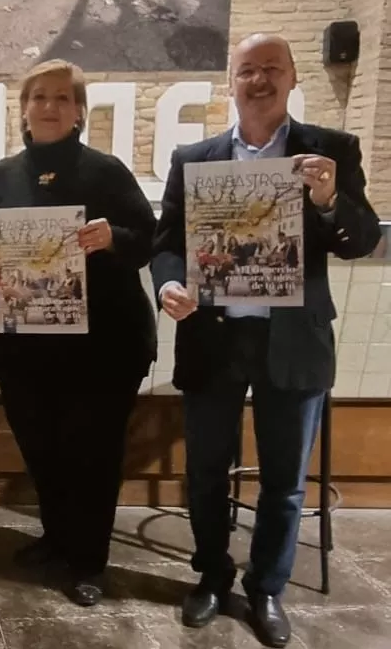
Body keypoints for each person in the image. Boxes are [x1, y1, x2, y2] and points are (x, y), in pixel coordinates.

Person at [151, 33, 381, 648]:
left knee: (283, 480)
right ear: (231, 82)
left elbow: (359, 240)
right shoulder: (194, 157)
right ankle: (210, 577)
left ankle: (267, 589)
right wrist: (170, 287)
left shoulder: (330, 151)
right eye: (246, 70)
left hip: (294, 341)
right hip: (213, 338)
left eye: (271, 69)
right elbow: (168, 243)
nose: (258, 80)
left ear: (292, 77)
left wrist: (330, 198)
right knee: (204, 473)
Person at [0, 59, 157, 606]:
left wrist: (111, 236)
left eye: (62, 98)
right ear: (23, 110)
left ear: (79, 113)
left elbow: (148, 239)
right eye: (39, 96)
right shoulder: (3, 175)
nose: (49, 106)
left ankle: (89, 562)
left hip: (103, 350)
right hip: (22, 348)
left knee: (92, 455)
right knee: (42, 449)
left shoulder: (107, 171)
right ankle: (56, 538)